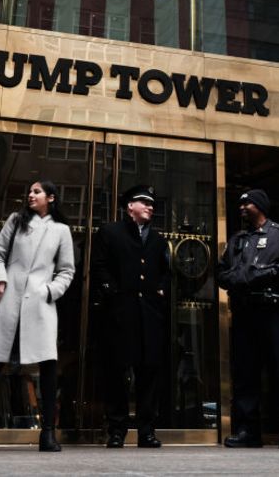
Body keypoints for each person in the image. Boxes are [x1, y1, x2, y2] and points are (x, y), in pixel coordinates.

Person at [0, 180, 75, 452]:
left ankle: (48, 434)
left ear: (50, 197)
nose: (30, 195)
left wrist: (49, 291)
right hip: (9, 301)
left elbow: (67, 270)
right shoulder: (16, 220)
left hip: (41, 305)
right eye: (29, 191)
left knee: (49, 367)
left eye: (37, 191)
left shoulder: (61, 230)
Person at [216, 189, 279, 449]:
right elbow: (222, 273)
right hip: (245, 314)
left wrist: (268, 272)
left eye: (247, 203)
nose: (242, 207)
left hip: (273, 312)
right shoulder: (237, 240)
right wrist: (240, 279)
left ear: (261, 206)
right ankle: (248, 431)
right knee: (245, 374)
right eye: (240, 203)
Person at [92, 185, 170, 448]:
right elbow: (99, 266)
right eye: (144, 202)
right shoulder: (110, 231)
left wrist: (161, 290)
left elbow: (165, 272)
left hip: (149, 315)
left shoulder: (158, 240)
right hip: (119, 313)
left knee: (149, 373)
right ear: (130, 207)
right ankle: (117, 430)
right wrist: (112, 292)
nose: (150, 207)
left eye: (152, 204)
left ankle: (147, 432)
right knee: (116, 372)